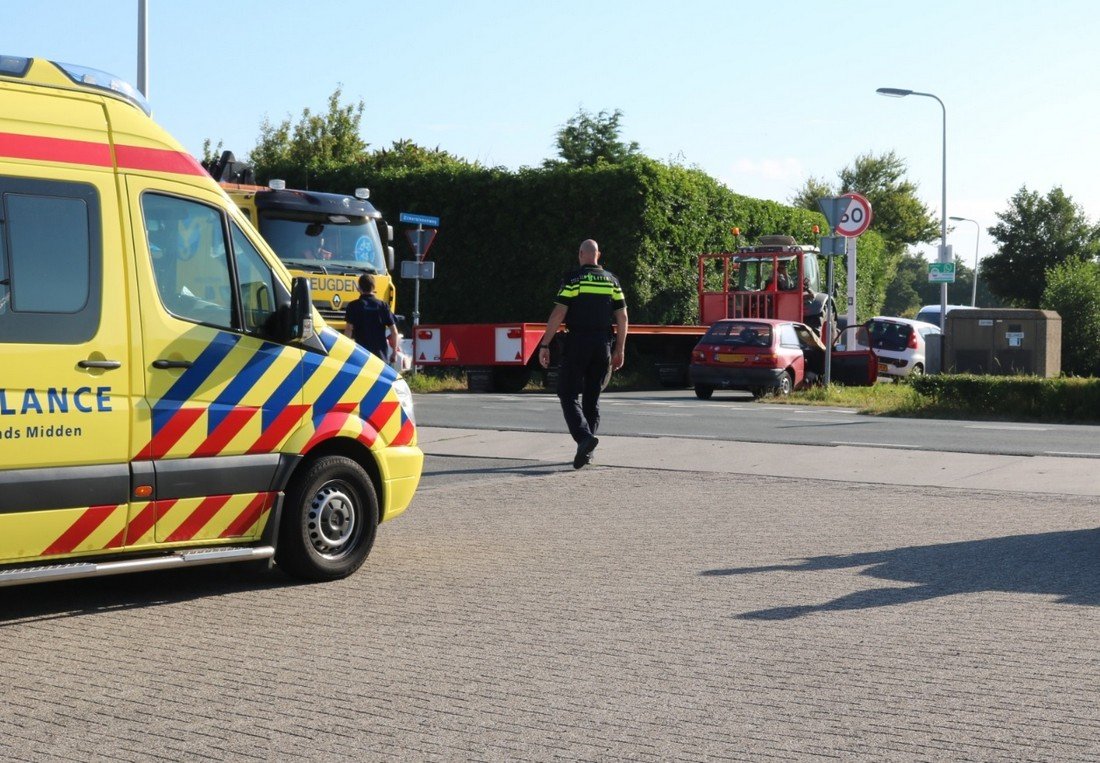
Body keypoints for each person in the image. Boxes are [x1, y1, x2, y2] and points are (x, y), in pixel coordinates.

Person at [537, 239, 628, 469]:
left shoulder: (573, 279)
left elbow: (559, 313)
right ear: (599, 255)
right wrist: (620, 348)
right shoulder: (612, 281)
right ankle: (586, 452)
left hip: (578, 342)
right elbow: (623, 318)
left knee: (567, 393)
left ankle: (583, 438)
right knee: (592, 398)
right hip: (603, 345)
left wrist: (545, 344)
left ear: (580, 254)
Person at [344, 274, 398, 362]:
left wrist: (346, 350)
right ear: (373, 288)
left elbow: (348, 329)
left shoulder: (353, 306)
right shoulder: (383, 306)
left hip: (360, 355)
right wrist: (394, 352)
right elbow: (394, 331)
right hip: (380, 355)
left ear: (359, 288)